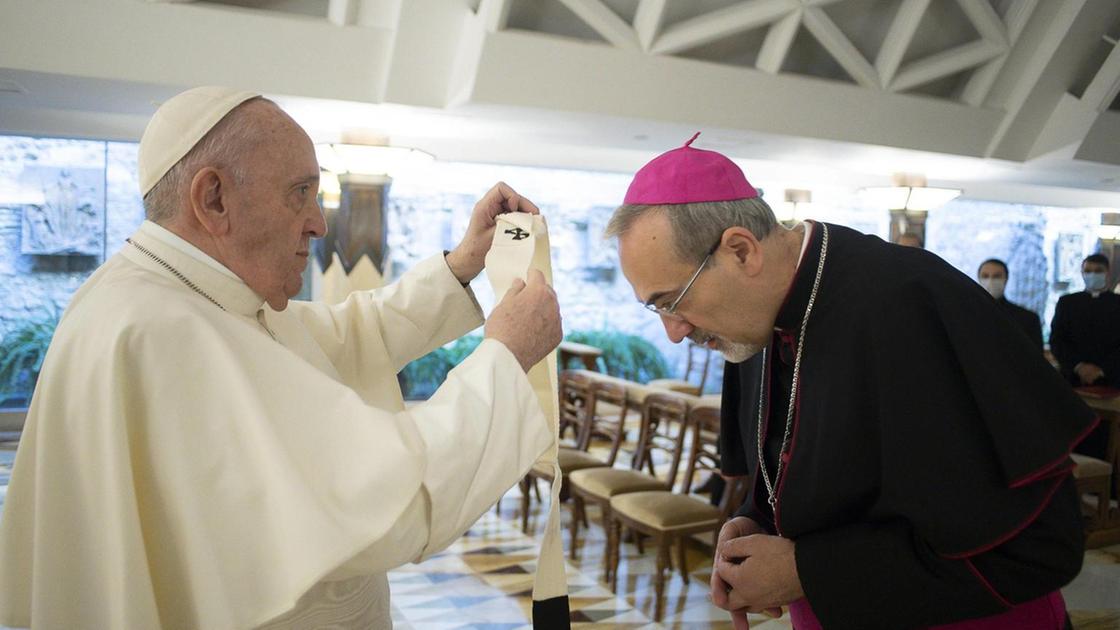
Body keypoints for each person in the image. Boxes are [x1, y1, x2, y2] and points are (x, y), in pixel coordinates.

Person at [0, 86, 564, 629]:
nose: (319, 223)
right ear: (213, 198)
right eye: (299, 192)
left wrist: (462, 263)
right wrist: (504, 355)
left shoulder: (186, 296)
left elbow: (349, 333)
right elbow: (389, 503)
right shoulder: (160, 328)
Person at [604, 133, 1094, 630]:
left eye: (672, 300)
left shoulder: (907, 305)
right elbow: (808, 465)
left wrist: (805, 570)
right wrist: (757, 519)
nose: (673, 331)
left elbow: (1038, 549)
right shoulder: (752, 323)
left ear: (741, 251)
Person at [976, 258, 1043, 350]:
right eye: (985, 276)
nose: (990, 281)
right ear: (978, 279)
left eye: (997, 276)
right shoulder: (965, 315)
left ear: (1006, 279)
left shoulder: (1027, 319)